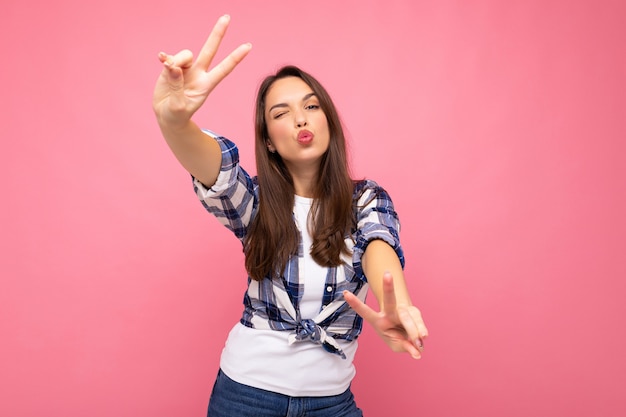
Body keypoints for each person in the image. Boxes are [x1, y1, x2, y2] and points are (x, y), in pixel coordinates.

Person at [152, 14, 428, 417]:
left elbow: (379, 243)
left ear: (327, 121)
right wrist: (174, 121)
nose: (300, 118)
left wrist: (399, 305)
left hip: (332, 402)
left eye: (311, 106)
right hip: (245, 396)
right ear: (269, 139)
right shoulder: (256, 202)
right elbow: (215, 169)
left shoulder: (366, 199)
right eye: (281, 113)